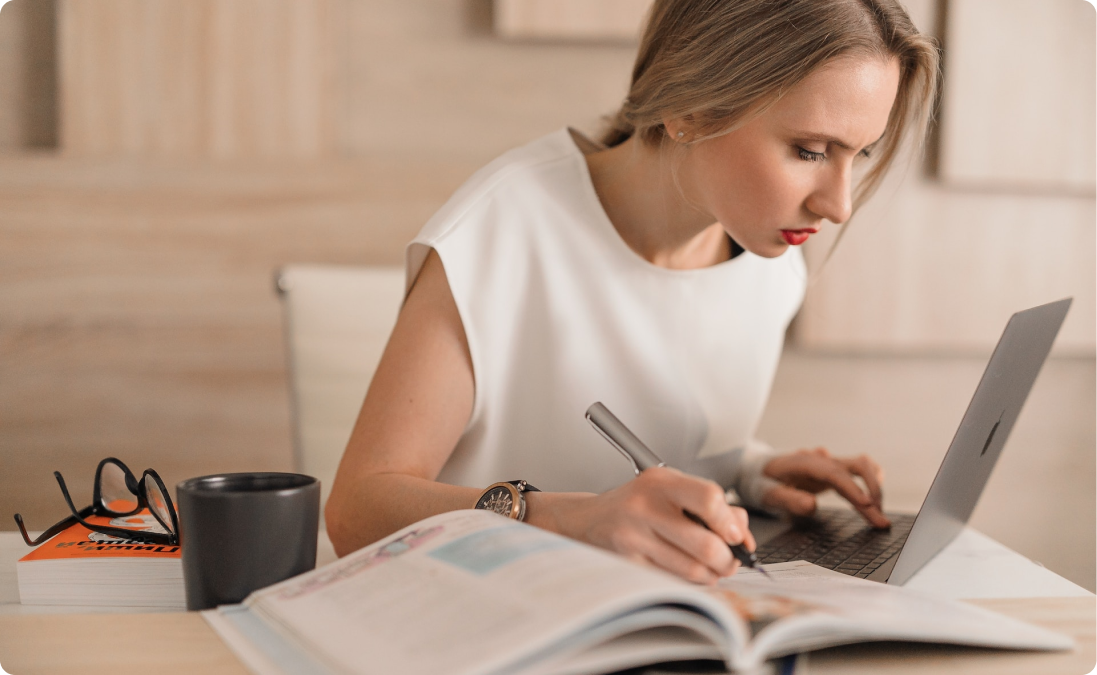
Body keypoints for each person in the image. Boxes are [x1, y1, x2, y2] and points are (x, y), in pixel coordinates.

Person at [326, 0, 939, 585]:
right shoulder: (502, 231)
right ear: (690, 109)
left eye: (859, 155)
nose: (838, 204)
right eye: (810, 150)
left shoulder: (771, 261)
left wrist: (749, 469)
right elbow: (356, 511)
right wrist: (573, 521)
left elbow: (656, 450)